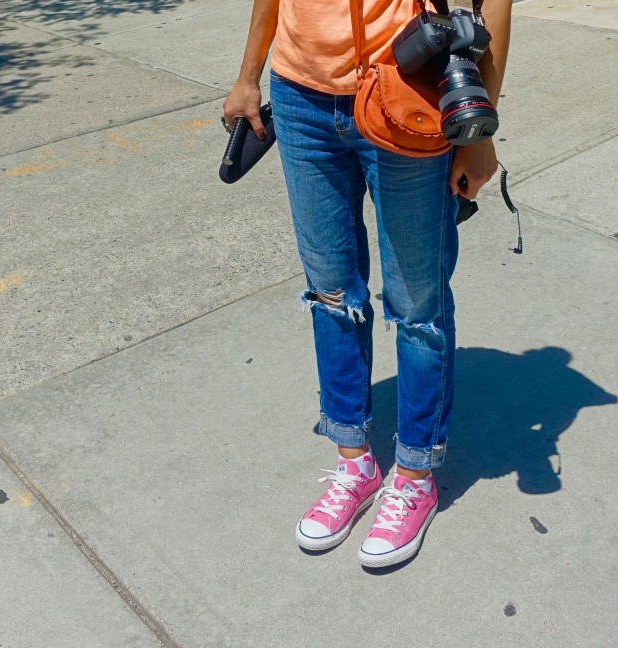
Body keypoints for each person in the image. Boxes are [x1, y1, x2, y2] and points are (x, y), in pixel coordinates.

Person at [223, 0, 511, 568]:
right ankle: (355, 462)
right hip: (301, 98)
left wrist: (481, 126)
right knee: (330, 295)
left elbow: (493, 4)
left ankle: (414, 474)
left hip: (406, 89)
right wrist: (247, 76)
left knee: (417, 307)